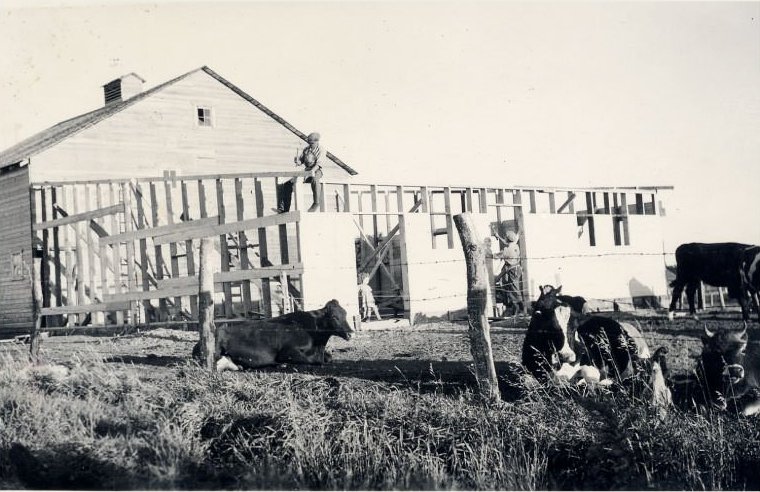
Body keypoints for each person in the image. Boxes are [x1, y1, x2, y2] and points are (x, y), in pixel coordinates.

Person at [276, 132, 324, 213]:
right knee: (288, 184)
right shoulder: (306, 149)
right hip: (307, 170)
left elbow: (319, 164)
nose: (310, 144)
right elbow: (300, 162)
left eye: (311, 142)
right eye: (309, 142)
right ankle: (285, 209)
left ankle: (316, 203)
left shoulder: (321, 149)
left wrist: (312, 172)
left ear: (316, 141)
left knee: (315, 180)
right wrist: (297, 161)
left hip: (316, 170)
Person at [492, 230, 524, 316]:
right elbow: (508, 242)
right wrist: (498, 236)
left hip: (511, 271)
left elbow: (495, 256)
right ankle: (517, 308)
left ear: (507, 239)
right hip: (517, 269)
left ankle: (521, 309)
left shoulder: (506, 250)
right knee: (514, 288)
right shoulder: (515, 246)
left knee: (514, 289)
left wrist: (486, 253)